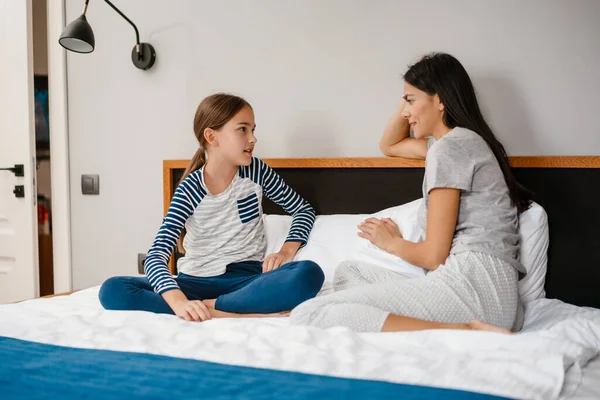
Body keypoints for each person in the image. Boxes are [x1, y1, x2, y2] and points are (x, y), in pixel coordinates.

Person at [291, 53, 532, 333]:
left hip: (476, 287)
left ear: (440, 100)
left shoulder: (450, 149)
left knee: (309, 313)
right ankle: (438, 326)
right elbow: (389, 145)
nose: (405, 112)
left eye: (410, 100)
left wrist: (390, 242)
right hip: (493, 294)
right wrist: (414, 90)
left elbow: (433, 257)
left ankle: (464, 330)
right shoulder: (460, 145)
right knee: (350, 273)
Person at [100, 93, 324, 322]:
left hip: (245, 282)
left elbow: (302, 210)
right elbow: (156, 255)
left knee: (308, 274)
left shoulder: (257, 171)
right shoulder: (190, 189)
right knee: (112, 289)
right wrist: (178, 300)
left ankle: (214, 308)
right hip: (193, 283)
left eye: (253, 130)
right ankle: (225, 310)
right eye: (243, 129)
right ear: (211, 136)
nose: (253, 138)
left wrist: (286, 251)